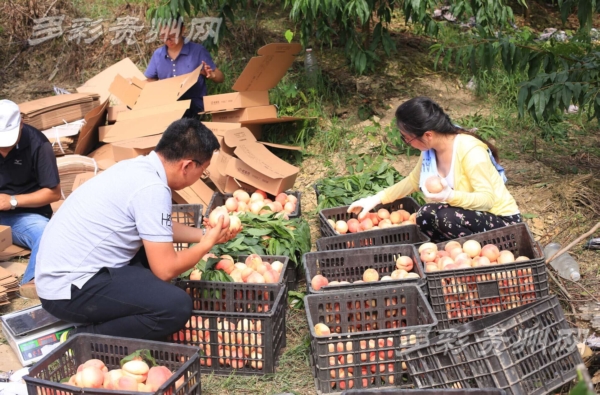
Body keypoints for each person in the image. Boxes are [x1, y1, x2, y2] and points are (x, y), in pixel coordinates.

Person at [35, 118, 237, 340]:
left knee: (151, 257)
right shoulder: (152, 188)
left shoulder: (138, 168)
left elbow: (157, 225)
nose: (202, 176)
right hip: (68, 291)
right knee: (175, 307)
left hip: (66, 276)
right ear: (187, 165)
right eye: (204, 171)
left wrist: (204, 235)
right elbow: (166, 269)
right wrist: (206, 244)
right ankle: (85, 338)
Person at [348, 97, 521, 242]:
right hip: (472, 217)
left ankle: (481, 259)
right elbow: (413, 181)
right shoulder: (430, 152)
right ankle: (446, 257)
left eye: (407, 138)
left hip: (503, 225)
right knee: (424, 214)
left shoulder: (470, 152)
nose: (406, 143)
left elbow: (487, 200)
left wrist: (450, 196)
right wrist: (375, 199)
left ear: (428, 135)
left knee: (447, 217)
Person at [0, 100, 61, 299]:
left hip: (23, 215)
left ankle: (30, 284)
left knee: (47, 233)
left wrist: (13, 201)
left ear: (22, 123)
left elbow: (53, 193)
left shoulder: (38, 144)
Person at [144, 17, 224, 118]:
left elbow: (221, 77)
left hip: (193, 104)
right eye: (163, 36)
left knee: (180, 113)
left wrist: (212, 75)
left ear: (182, 30)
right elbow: (149, 80)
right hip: (167, 103)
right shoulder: (158, 55)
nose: (168, 40)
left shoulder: (197, 51)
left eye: (172, 35)